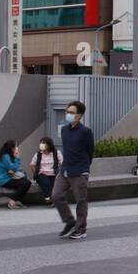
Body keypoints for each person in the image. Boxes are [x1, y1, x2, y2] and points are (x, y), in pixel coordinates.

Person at [54, 100, 94, 240]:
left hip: (80, 170)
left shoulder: (86, 132)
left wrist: (85, 169)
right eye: (67, 111)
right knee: (56, 195)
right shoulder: (64, 130)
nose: (68, 114)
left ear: (79, 116)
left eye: (71, 112)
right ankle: (69, 221)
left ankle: (81, 228)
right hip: (65, 169)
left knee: (80, 200)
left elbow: (90, 152)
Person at [0, 140, 31, 209]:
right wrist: (17, 158)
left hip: (8, 178)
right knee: (26, 183)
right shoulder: (5, 156)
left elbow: (13, 168)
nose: (17, 147)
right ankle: (12, 202)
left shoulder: (6, 156)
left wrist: (20, 171)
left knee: (25, 180)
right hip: (4, 180)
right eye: (16, 146)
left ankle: (18, 201)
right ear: (11, 148)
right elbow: (13, 168)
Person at [31, 137, 62, 204]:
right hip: (42, 173)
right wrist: (36, 173)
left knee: (54, 184)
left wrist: (61, 173)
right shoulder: (38, 154)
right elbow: (32, 165)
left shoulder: (56, 152)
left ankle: (52, 199)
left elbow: (63, 163)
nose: (41, 145)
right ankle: (49, 197)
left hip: (53, 173)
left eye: (44, 143)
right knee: (46, 182)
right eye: (41, 143)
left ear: (49, 144)